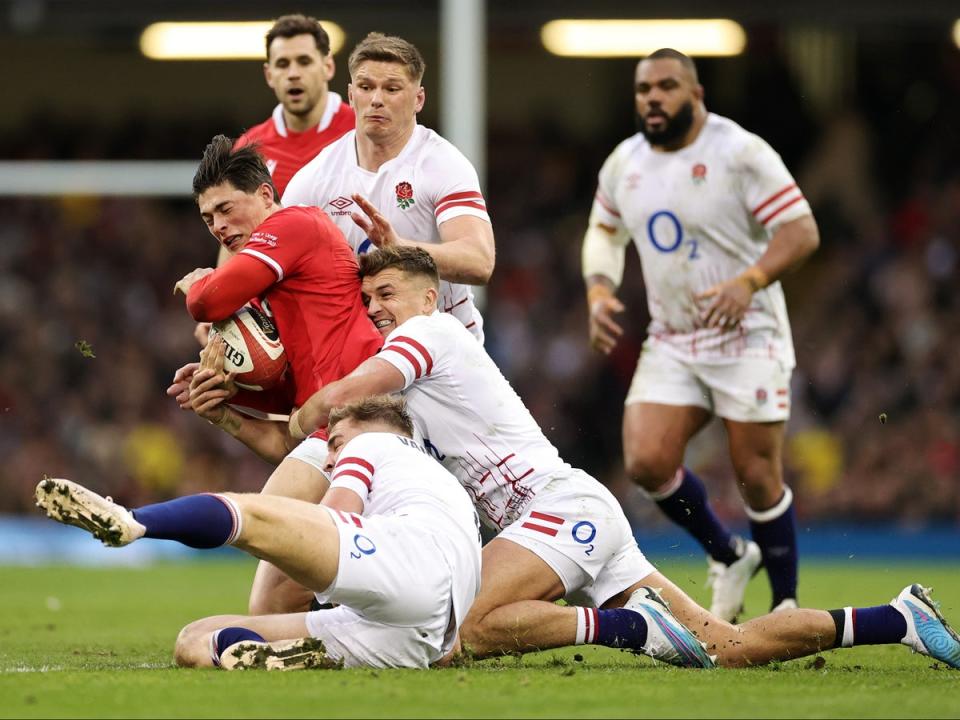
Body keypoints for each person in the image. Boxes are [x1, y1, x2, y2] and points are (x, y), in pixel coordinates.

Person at [279, 247, 959, 671]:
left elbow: (348, 398)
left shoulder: (434, 334)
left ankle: (628, 629)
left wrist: (317, 401)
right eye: (367, 302)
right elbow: (332, 450)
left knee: (460, 629)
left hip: (558, 510)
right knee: (731, 648)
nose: (376, 311)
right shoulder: (414, 396)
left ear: (430, 296)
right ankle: (895, 619)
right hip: (566, 523)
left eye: (386, 295)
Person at [581, 48, 821, 621]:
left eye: (667, 86)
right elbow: (603, 232)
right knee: (645, 460)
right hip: (674, 334)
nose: (653, 98)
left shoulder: (738, 151)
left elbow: (802, 229)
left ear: (696, 94)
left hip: (747, 330)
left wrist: (751, 280)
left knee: (756, 474)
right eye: (644, 89)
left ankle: (785, 604)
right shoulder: (624, 163)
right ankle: (729, 553)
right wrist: (597, 289)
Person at [35, 396, 483, 670]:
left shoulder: (373, 443)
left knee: (256, 514)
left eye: (334, 443)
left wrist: (289, 537)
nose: (329, 460)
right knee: (196, 640)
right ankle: (277, 658)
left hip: (405, 568)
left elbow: (334, 521)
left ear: (370, 427)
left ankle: (135, 521)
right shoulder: (445, 491)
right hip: (418, 638)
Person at [173, 134, 382, 475]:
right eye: (209, 219)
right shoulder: (270, 286)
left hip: (364, 411)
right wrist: (227, 396)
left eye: (226, 209)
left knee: (257, 520)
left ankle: (139, 522)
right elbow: (285, 438)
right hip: (331, 427)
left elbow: (204, 302)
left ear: (266, 194)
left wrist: (199, 282)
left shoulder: (294, 224)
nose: (219, 227)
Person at [282, 32, 494, 343]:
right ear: (352, 95)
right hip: (360, 351)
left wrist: (401, 250)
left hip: (446, 351)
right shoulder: (315, 179)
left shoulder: (442, 164)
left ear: (418, 99)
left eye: (392, 88)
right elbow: (273, 262)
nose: (377, 99)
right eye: (366, 88)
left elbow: (479, 261)